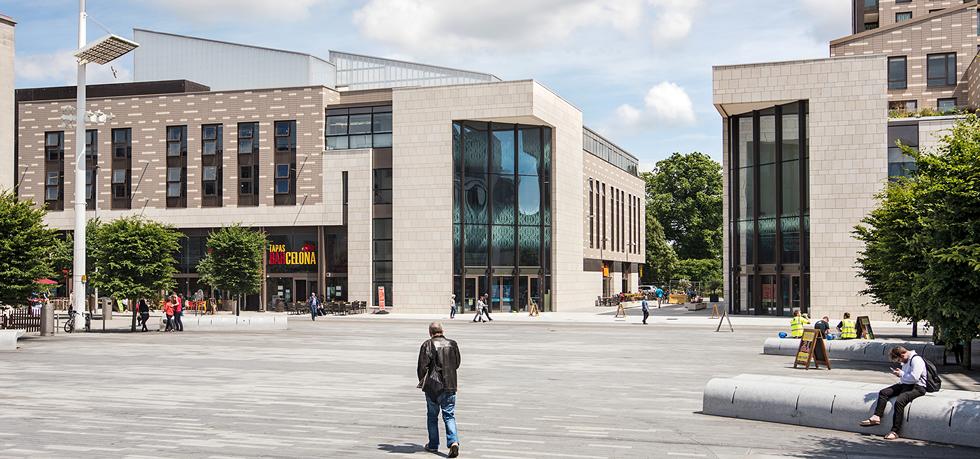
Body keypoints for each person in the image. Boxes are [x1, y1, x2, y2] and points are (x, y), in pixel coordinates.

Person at [859, 346, 928, 440]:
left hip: (918, 387)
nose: (900, 362)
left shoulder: (916, 360)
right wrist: (900, 374)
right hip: (905, 384)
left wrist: (901, 374)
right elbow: (907, 377)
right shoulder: (906, 360)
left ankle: (895, 431)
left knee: (899, 402)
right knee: (883, 393)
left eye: (899, 360)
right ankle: (876, 417)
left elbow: (914, 378)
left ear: (902, 355)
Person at [417, 322, 461, 458]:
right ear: (442, 331)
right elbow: (457, 363)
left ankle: (433, 444)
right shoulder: (452, 344)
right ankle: (453, 442)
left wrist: (423, 382)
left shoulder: (427, 344)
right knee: (449, 415)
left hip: (433, 387)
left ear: (430, 332)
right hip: (450, 385)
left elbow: (422, 367)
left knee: (432, 416)